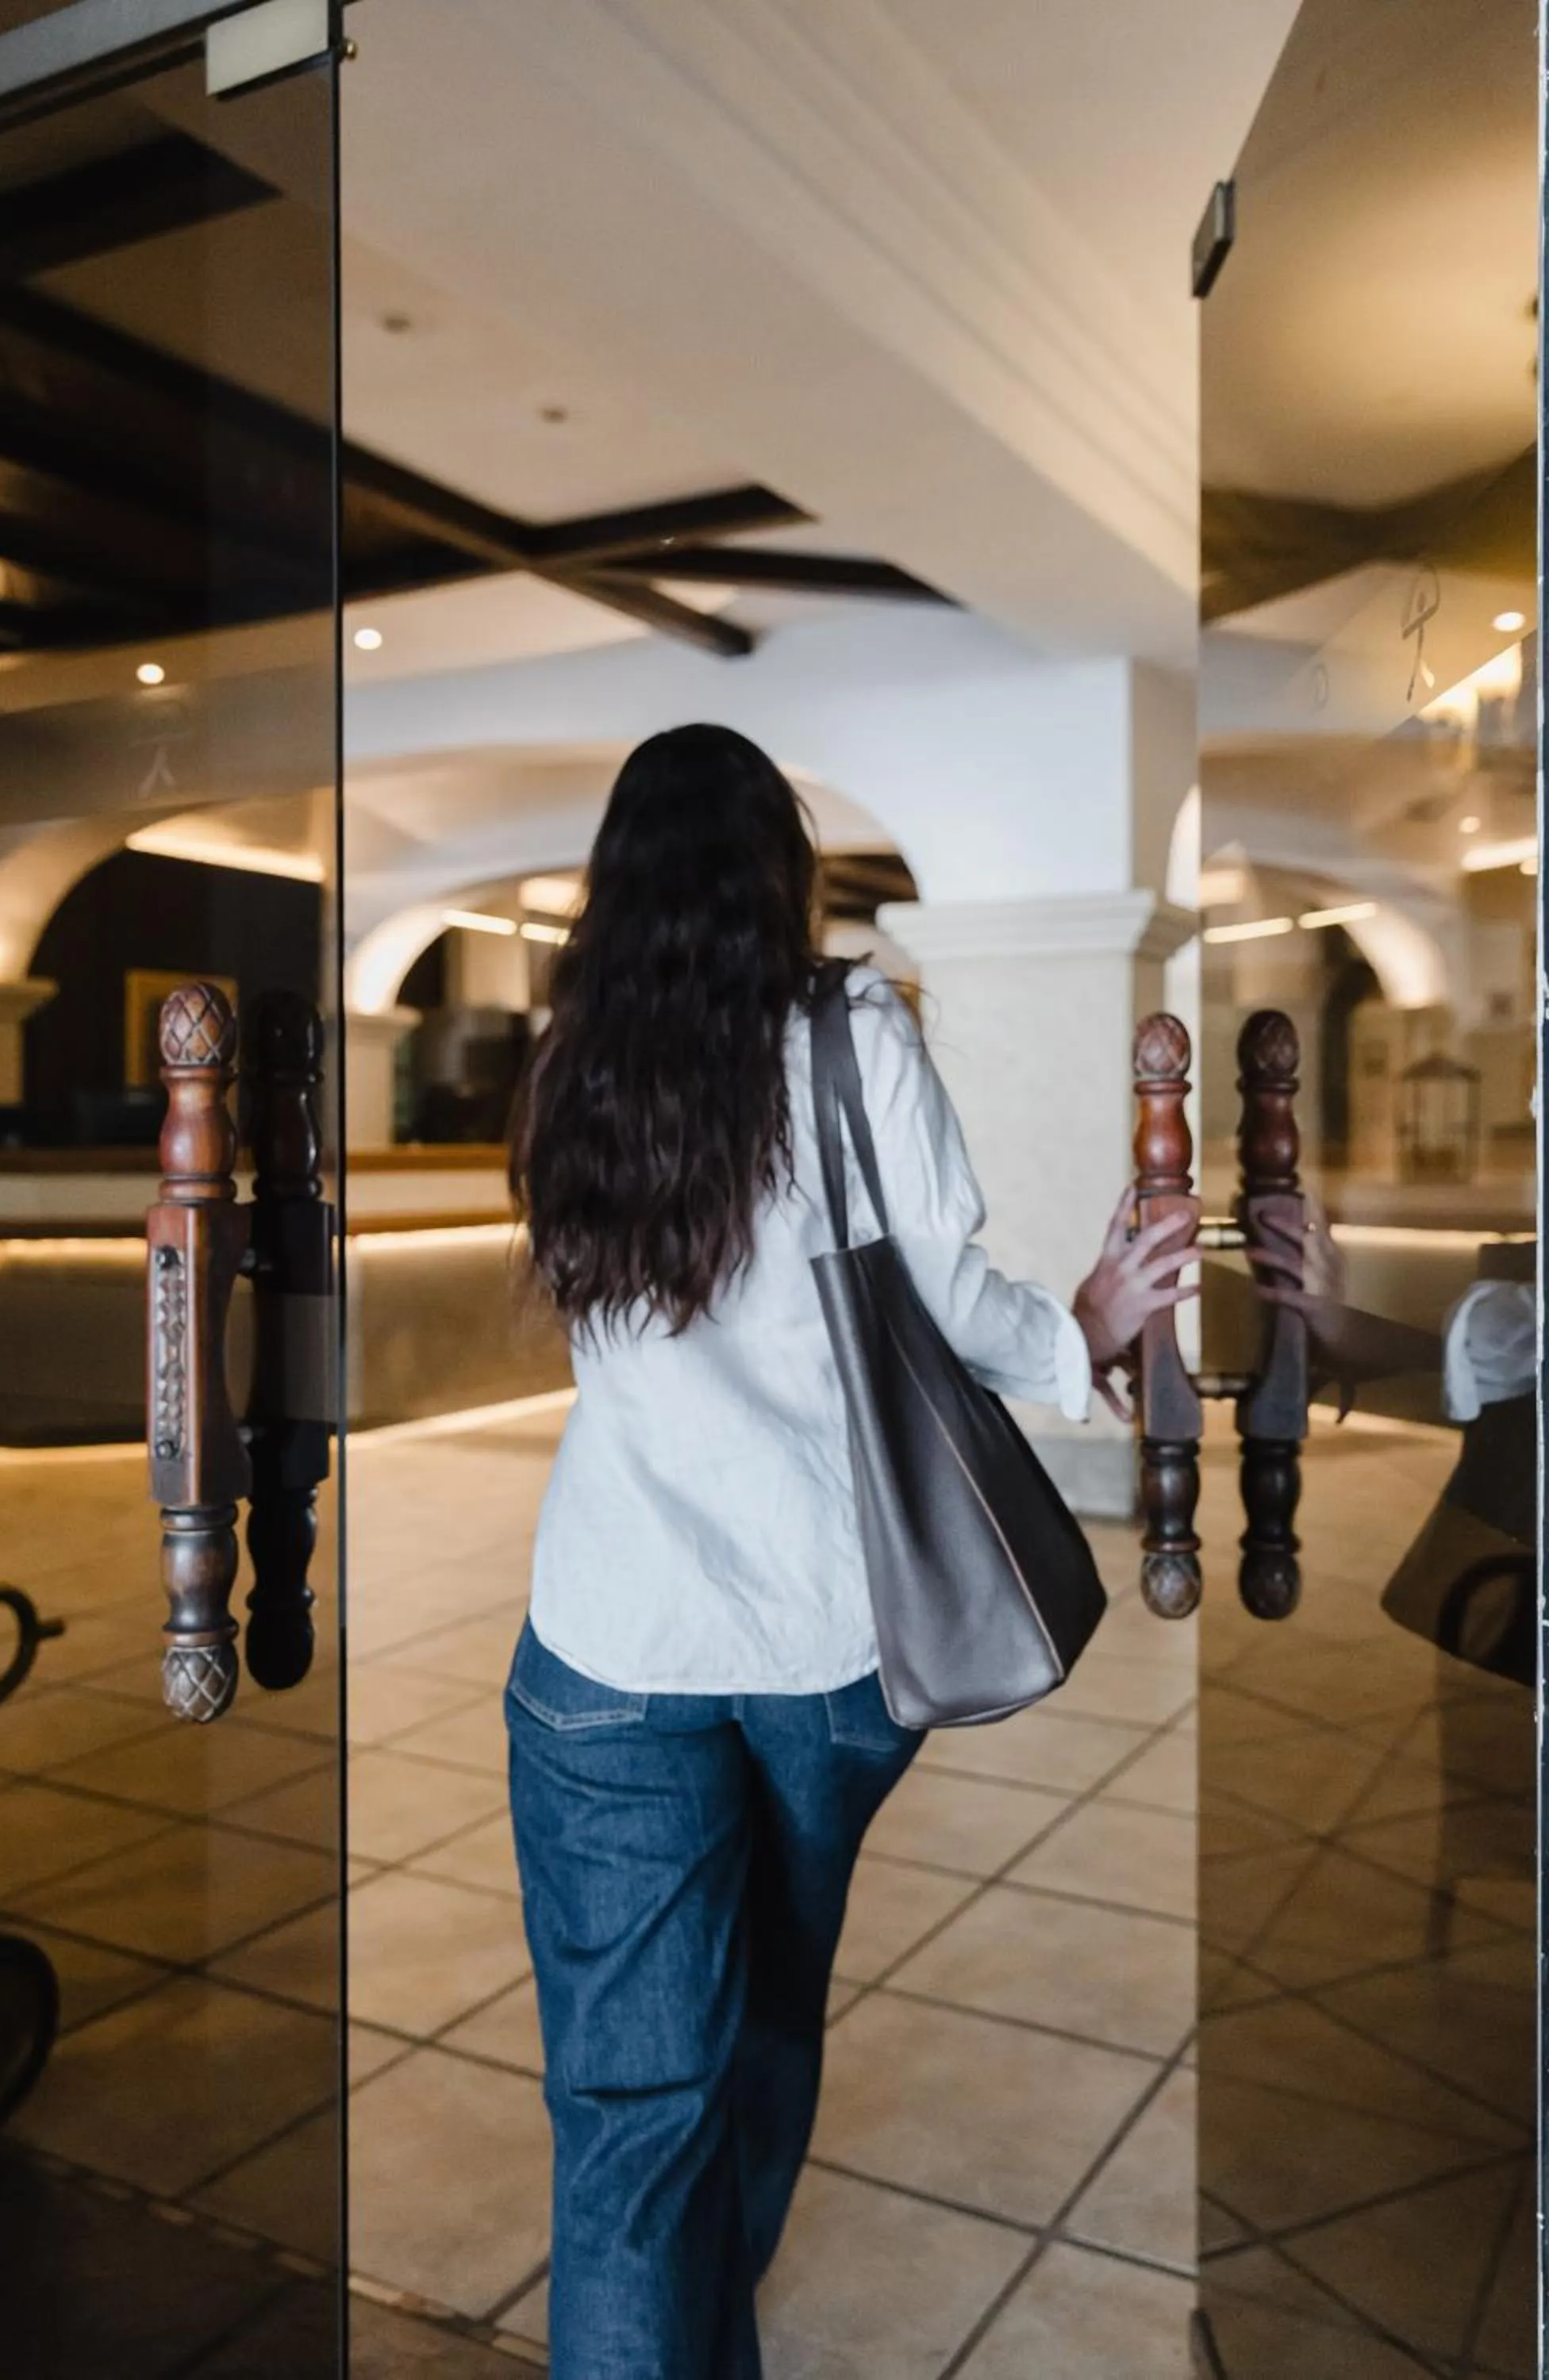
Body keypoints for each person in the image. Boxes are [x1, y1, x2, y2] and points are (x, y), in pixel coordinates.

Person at [505, 723, 1196, 2379]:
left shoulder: (565, 1063)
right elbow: (946, 1306)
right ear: (774, 876)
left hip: (608, 1644)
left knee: (624, 2119)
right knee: (763, 2022)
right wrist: (1084, 1327)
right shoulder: (846, 1036)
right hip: (828, 1645)